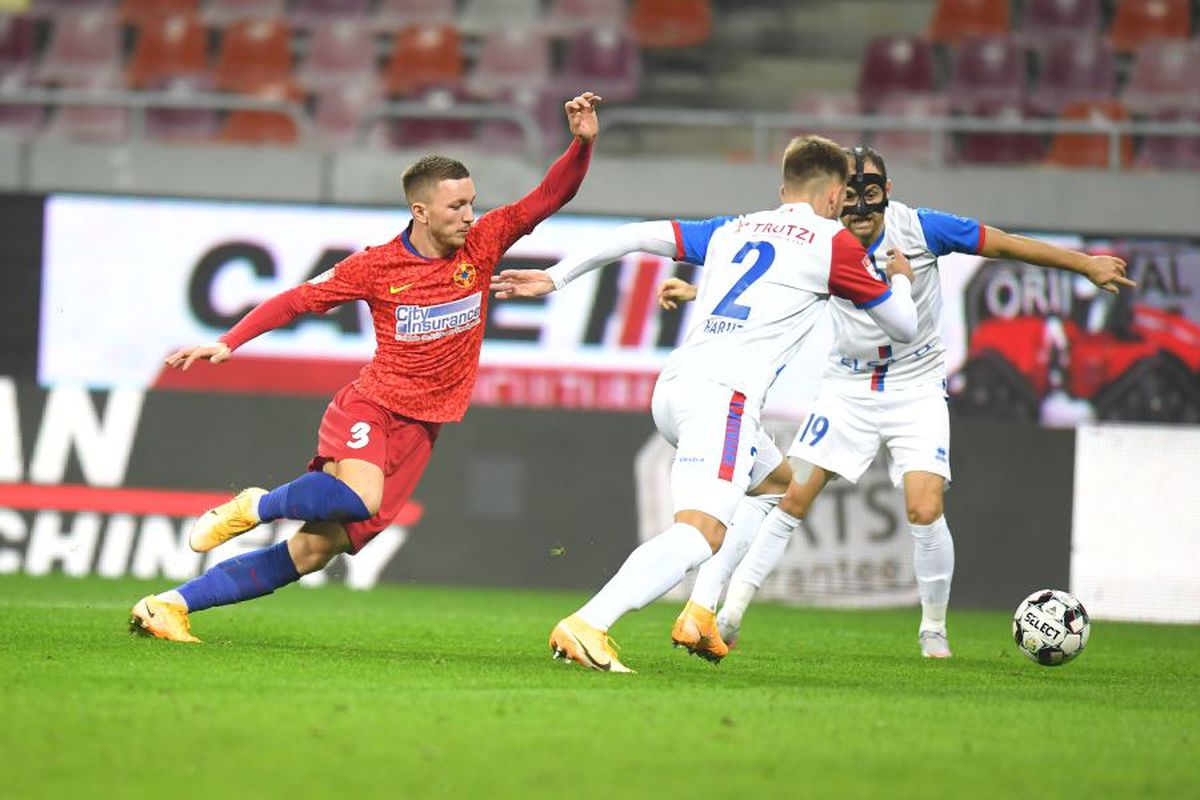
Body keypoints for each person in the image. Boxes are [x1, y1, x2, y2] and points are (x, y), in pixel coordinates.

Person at [128, 92, 604, 643]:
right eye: (456, 207)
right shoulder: (377, 266)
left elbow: (551, 195)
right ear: (420, 211)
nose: (469, 215)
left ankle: (168, 605)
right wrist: (229, 340)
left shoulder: (484, 242)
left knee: (312, 552)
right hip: (372, 406)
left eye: (472, 203)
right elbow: (297, 299)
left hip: (423, 428)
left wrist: (581, 143)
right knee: (360, 498)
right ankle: (259, 504)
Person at [658, 145, 1134, 659]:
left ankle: (933, 630)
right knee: (791, 496)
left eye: (872, 194)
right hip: (847, 385)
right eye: (851, 196)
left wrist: (1084, 264)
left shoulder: (922, 228)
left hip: (915, 384)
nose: (861, 209)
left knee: (924, 506)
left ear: (887, 191)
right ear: (836, 196)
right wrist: (696, 293)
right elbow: (772, 279)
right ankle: (729, 615)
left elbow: (1004, 244)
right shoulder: (822, 238)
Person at [490, 135, 920, 672]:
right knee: (700, 533)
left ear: (783, 188)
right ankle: (588, 623)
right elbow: (903, 327)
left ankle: (700, 612)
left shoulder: (733, 228)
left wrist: (555, 277)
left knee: (775, 484)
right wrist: (900, 280)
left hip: (676, 387)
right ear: (835, 195)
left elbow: (632, 235)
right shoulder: (833, 242)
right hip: (724, 400)